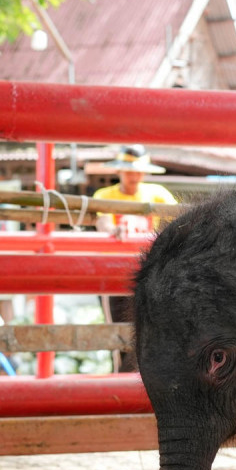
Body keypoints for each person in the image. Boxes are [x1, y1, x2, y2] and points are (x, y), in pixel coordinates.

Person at [92, 145, 177, 371]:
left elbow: (178, 220)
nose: (134, 176)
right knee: (120, 333)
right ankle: (121, 382)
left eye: (138, 170)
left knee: (153, 331)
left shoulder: (157, 194)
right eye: (129, 170)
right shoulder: (105, 196)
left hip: (150, 276)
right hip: (115, 275)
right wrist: (111, 230)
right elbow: (102, 220)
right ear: (119, 171)